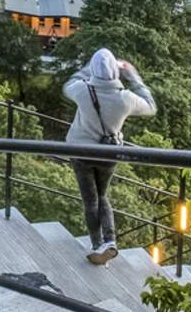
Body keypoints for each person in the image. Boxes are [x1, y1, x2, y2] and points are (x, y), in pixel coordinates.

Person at [62, 47, 156, 265]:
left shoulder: (82, 91)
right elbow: (150, 106)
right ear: (116, 72)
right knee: (102, 196)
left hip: (81, 152)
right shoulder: (125, 98)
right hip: (108, 153)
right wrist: (133, 76)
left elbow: (69, 85)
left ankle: (96, 245)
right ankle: (110, 240)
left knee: (90, 200)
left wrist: (87, 70)